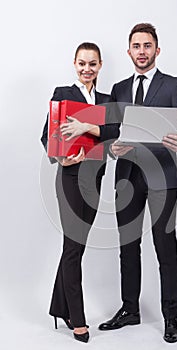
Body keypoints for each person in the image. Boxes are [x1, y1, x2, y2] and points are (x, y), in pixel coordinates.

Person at [96, 23, 177, 343]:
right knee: (128, 246)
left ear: (157, 50)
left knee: (166, 247)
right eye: (136, 46)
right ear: (129, 51)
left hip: (162, 177)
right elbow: (110, 131)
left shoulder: (173, 85)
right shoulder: (119, 88)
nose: (142, 51)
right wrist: (112, 146)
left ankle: (171, 317)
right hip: (127, 177)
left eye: (147, 45)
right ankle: (130, 309)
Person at [40, 42, 119, 343]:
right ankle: (78, 318)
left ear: (100, 66)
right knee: (73, 248)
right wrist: (60, 157)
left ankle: (58, 306)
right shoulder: (63, 94)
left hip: (95, 178)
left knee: (77, 247)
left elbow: (113, 135)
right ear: (74, 64)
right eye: (82, 63)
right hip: (70, 178)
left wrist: (89, 125)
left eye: (93, 64)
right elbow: (46, 135)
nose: (87, 69)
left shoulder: (107, 100)